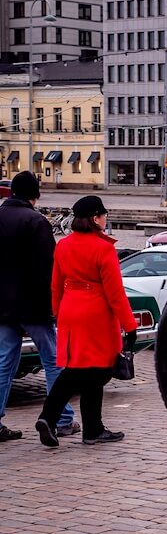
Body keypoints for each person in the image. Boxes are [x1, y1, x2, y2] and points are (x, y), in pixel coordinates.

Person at [35, 196, 138, 448]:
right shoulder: (103, 249)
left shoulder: (64, 245)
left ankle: (89, 428)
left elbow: (56, 285)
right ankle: (61, 419)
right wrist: (130, 325)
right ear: (94, 218)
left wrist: (60, 313)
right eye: (103, 214)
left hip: (71, 310)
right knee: (94, 370)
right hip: (96, 315)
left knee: (81, 369)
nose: (106, 218)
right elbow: (115, 293)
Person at [0, 171, 77, 442]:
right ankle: (62, 417)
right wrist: (54, 306)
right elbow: (50, 270)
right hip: (33, 306)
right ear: (35, 195)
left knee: (3, 363)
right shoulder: (37, 222)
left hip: (3, 307)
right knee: (54, 361)